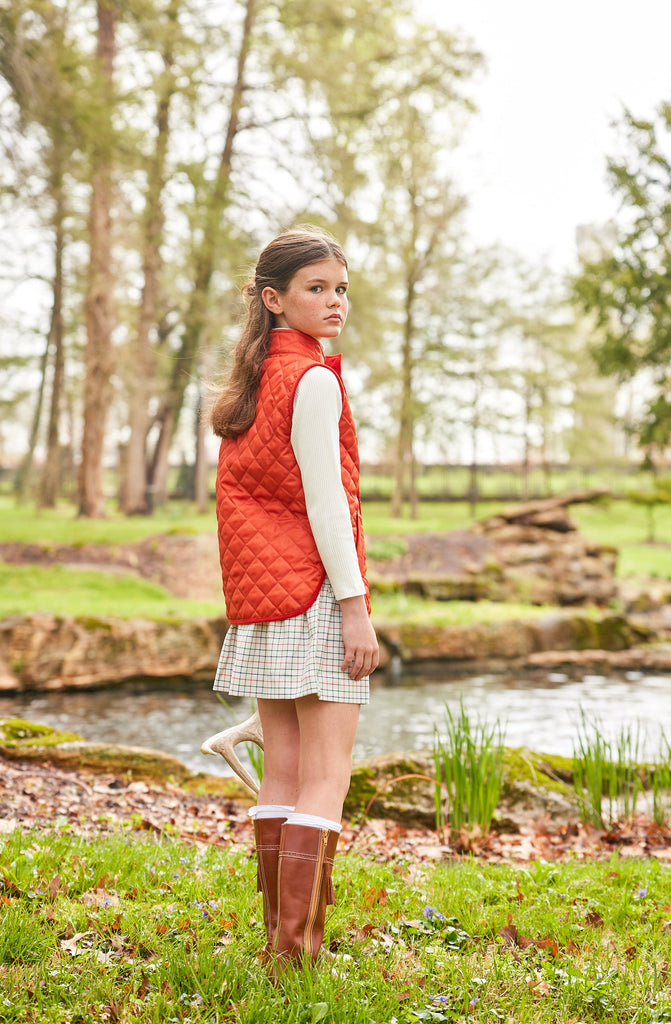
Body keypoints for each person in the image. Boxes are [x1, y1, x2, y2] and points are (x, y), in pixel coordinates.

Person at [206, 227, 379, 976]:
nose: (335, 301)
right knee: (326, 775)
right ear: (274, 299)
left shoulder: (251, 384)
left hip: (262, 602)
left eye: (340, 288)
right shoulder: (312, 381)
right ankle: (297, 955)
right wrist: (355, 606)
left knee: (282, 773)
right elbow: (327, 506)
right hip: (314, 595)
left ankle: (280, 950)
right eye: (317, 288)